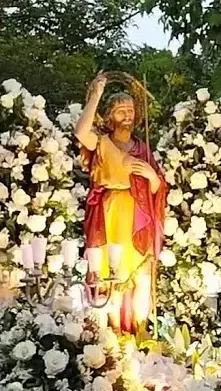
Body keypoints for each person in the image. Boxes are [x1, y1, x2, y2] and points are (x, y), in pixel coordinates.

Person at [74, 72, 168, 334]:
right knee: (108, 275)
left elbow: (158, 188)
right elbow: (81, 131)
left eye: (131, 111)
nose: (128, 116)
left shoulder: (142, 147)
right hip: (110, 212)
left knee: (142, 274)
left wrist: (151, 176)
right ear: (109, 116)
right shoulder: (102, 143)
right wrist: (96, 96)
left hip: (139, 215)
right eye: (121, 111)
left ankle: (141, 331)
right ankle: (112, 333)